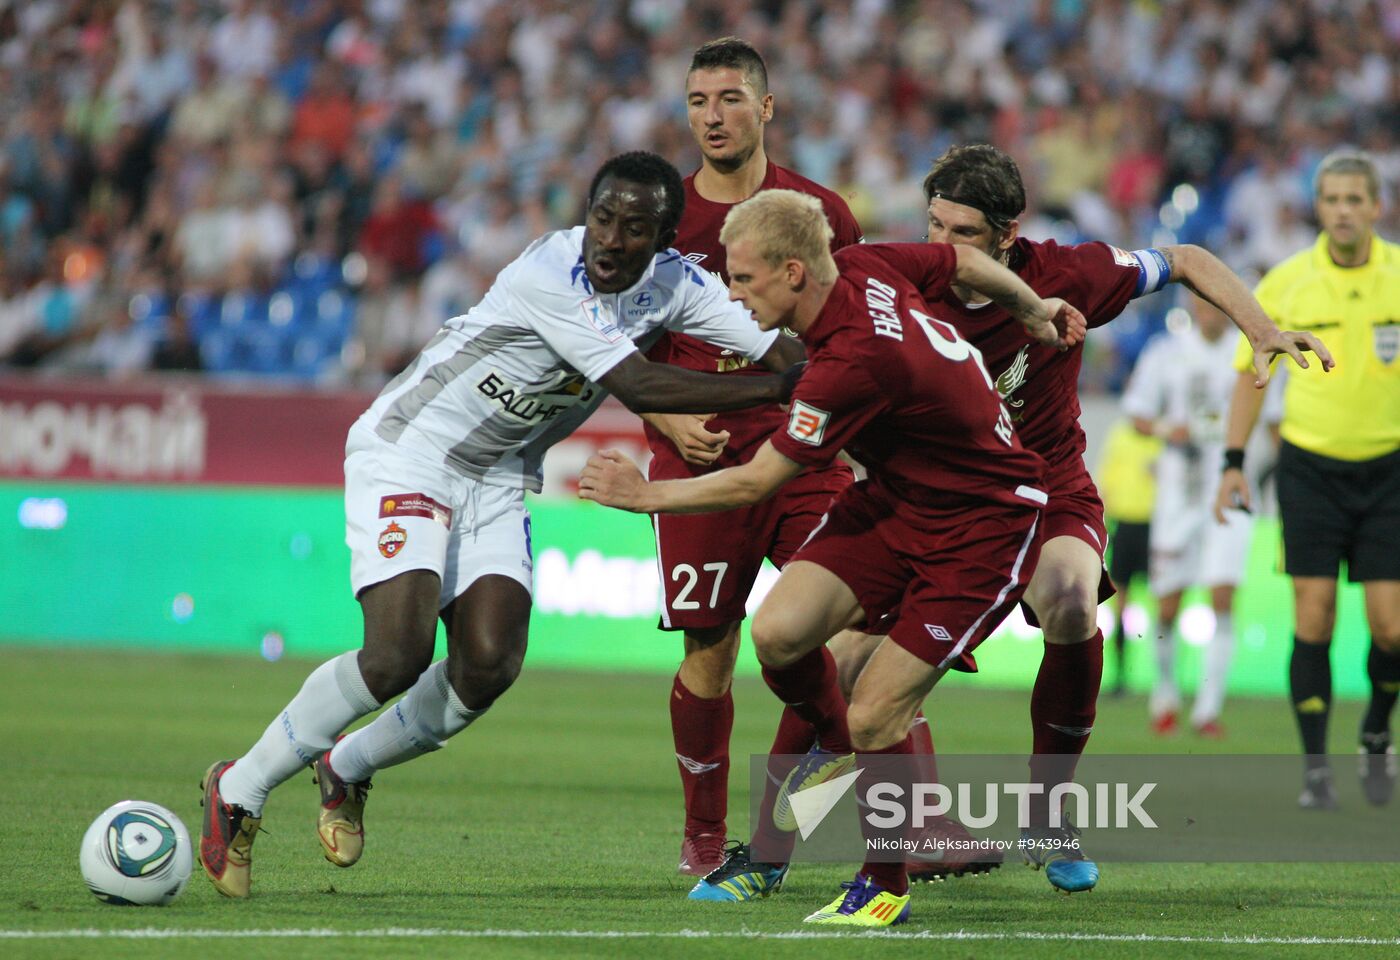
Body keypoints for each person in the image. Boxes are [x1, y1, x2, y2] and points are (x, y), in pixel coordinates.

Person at [196, 151, 809, 899]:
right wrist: (780, 387)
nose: (610, 240)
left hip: (498, 475)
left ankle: (347, 766)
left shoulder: (678, 284)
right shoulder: (550, 271)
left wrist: (821, 370)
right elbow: (640, 382)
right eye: (602, 218)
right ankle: (240, 787)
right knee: (396, 653)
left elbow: (774, 341)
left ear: (665, 239)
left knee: (489, 663)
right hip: (413, 448)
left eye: (634, 228)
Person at [827, 143, 1331, 893]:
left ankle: (1050, 811)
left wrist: (1260, 330)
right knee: (830, 666)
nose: (940, 246)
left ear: (1008, 234)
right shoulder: (896, 279)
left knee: (1069, 598)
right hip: (931, 499)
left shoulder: (1068, 274)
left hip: (1043, 490)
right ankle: (824, 837)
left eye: (960, 232)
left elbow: (1186, 257)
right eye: (932, 224)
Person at [580, 188, 1087, 926]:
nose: (732, 294)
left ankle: (883, 885)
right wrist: (1031, 307)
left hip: (982, 525)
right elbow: (960, 260)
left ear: (792, 273)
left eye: (744, 278)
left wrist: (642, 496)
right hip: (895, 503)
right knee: (779, 633)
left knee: (879, 712)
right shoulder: (867, 262)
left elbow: (757, 481)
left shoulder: (849, 363)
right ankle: (835, 740)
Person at [636, 37, 864, 879]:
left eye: (730, 99)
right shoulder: (660, 220)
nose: (712, 116)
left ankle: (785, 829)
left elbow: (851, 334)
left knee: (834, 634)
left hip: (805, 453)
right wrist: (668, 417)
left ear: (765, 107)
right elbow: (619, 347)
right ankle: (704, 835)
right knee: (709, 648)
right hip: (697, 463)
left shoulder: (820, 212)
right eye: (698, 101)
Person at [1215, 150, 1400, 811]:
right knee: (1313, 616)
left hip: (1390, 470)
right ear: (1317, 208)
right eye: (1333, 199)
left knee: (1392, 631)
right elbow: (1251, 374)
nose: (1345, 210)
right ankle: (1316, 770)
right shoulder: (1289, 282)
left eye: (1357, 198)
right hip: (1311, 469)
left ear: (1377, 206)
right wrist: (1232, 463)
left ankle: (1377, 730)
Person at [1123, 293, 1255, 737]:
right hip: (1177, 495)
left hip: (1228, 493)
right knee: (1167, 605)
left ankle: (1208, 709)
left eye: (1217, 304)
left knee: (1222, 597)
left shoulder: (1248, 353)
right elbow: (1136, 414)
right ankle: (1164, 696)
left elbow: (1271, 417)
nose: (1209, 311)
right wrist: (1166, 428)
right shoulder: (1167, 352)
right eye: (1202, 304)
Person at [1094, 417, 1161, 696]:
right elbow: (1106, 482)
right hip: (1124, 526)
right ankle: (1121, 676)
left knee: (1164, 602)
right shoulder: (1120, 436)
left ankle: (1163, 680)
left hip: (1157, 527)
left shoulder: (1164, 437)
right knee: (1120, 600)